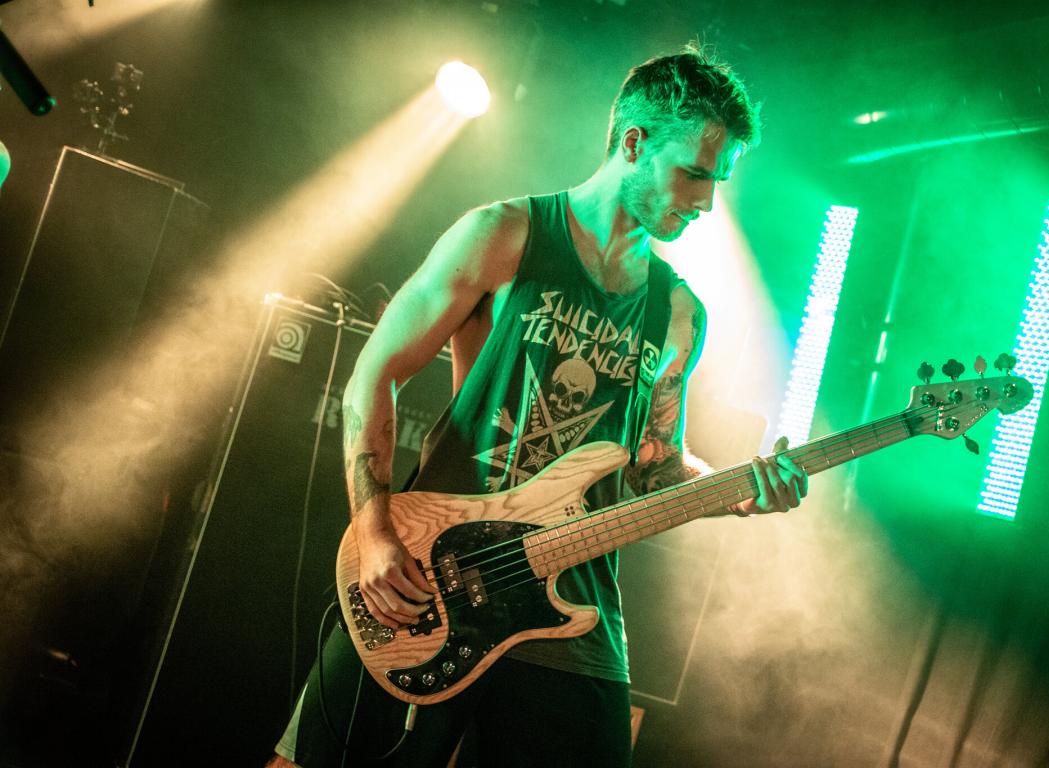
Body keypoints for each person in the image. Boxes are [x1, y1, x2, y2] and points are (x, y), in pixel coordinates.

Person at [270, 44, 808, 768]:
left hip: (572, 613)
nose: (706, 201)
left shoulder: (679, 312)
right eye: (694, 173)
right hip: (434, 579)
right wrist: (373, 532)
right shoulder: (504, 235)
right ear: (633, 143)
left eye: (718, 182)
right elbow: (376, 373)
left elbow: (654, 468)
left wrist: (740, 491)